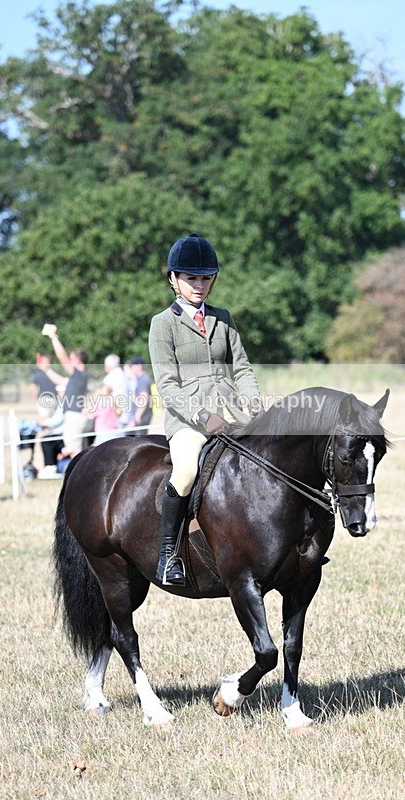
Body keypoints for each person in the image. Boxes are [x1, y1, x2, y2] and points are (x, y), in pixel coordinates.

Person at [148, 233, 261, 585]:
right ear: (173, 279)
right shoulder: (163, 323)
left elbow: (241, 369)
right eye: (191, 278)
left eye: (206, 278)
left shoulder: (223, 318)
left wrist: (253, 402)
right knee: (185, 472)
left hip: (232, 412)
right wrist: (201, 416)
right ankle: (169, 555)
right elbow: (167, 384)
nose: (199, 286)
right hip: (188, 421)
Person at [41, 324, 90, 458]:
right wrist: (47, 370)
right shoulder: (77, 377)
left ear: (78, 361)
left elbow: (62, 358)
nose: (69, 360)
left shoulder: (80, 375)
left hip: (74, 417)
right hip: (73, 417)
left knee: (75, 454)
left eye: (72, 358)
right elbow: (60, 380)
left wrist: (54, 337)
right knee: (74, 451)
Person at [102, 353, 131, 428]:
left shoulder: (110, 377)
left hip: (116, 416)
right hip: (126, 414)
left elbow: (104, 394)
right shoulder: (122, 374)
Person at [126, 356, 153, 435]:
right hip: (141, 417)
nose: (131, 368)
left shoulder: (143, 379)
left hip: (141, 418)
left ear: (139, 366)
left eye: (132, 365)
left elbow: (143, 401)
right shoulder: (139, 379)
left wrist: (135, 419)